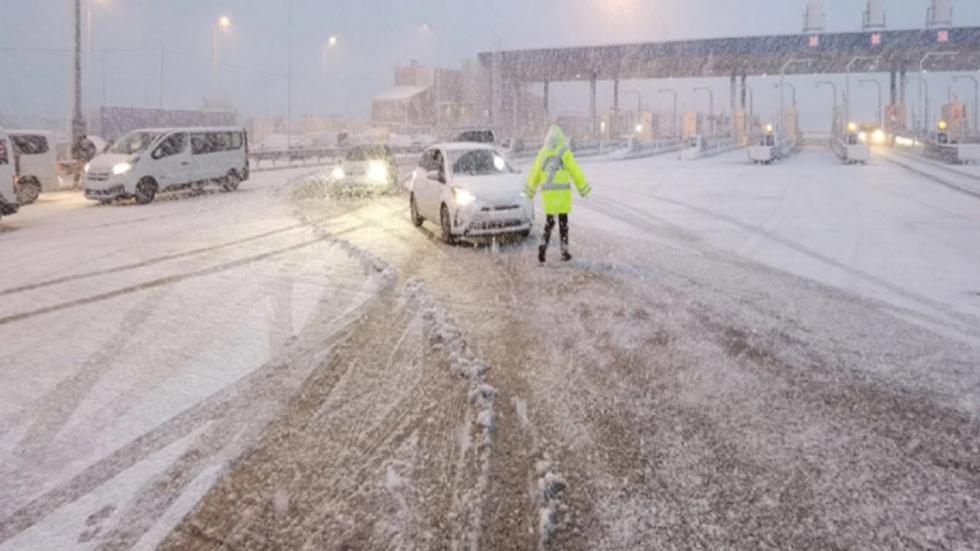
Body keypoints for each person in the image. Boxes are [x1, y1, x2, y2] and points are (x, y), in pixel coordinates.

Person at [525, 125, 592, 263]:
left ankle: (542, 249)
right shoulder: (564, 152)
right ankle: (564, 251)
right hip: (562, 196)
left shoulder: (543, 153)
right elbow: (575, 171)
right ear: (561, 138)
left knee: (549, 223)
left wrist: (530, 191)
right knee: (563, 224)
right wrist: (583, 189)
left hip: (549, 196)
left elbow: (535, 173)